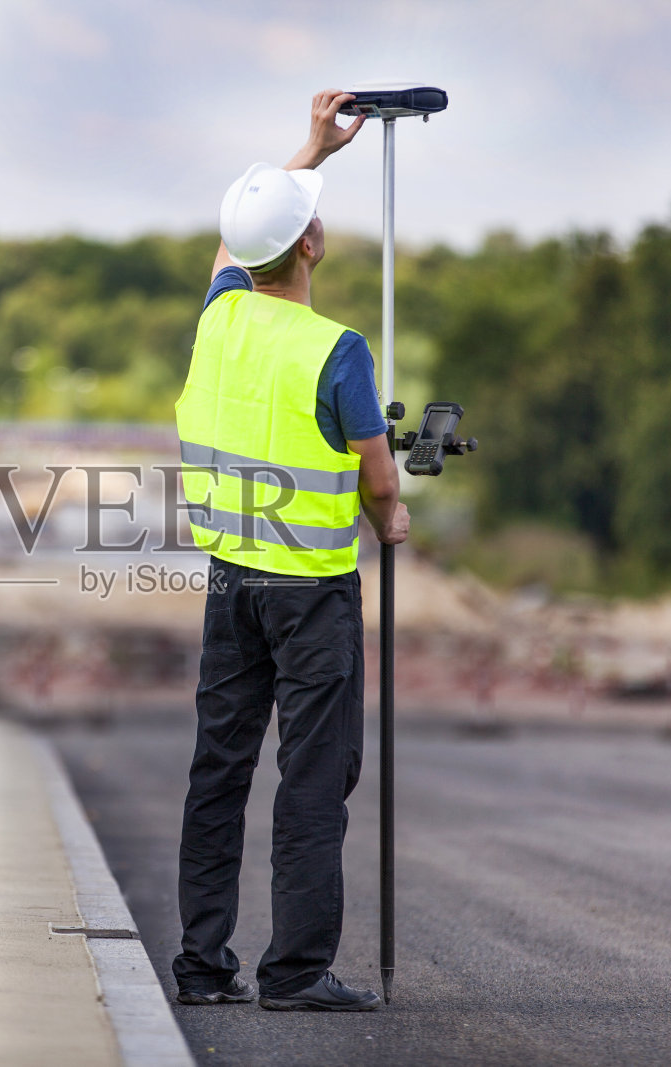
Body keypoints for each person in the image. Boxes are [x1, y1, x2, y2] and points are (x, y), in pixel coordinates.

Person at [171, 89, 410, 1012]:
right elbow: (379, 481)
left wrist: (310, 150)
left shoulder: (218, 317)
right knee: (311, 777)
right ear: (311, 243)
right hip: (311, 592)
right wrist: (391, 522)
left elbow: (238, 242)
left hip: (230, 582)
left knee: (219, 767)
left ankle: (201, 966)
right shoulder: (339, 350)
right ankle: (296, 972)